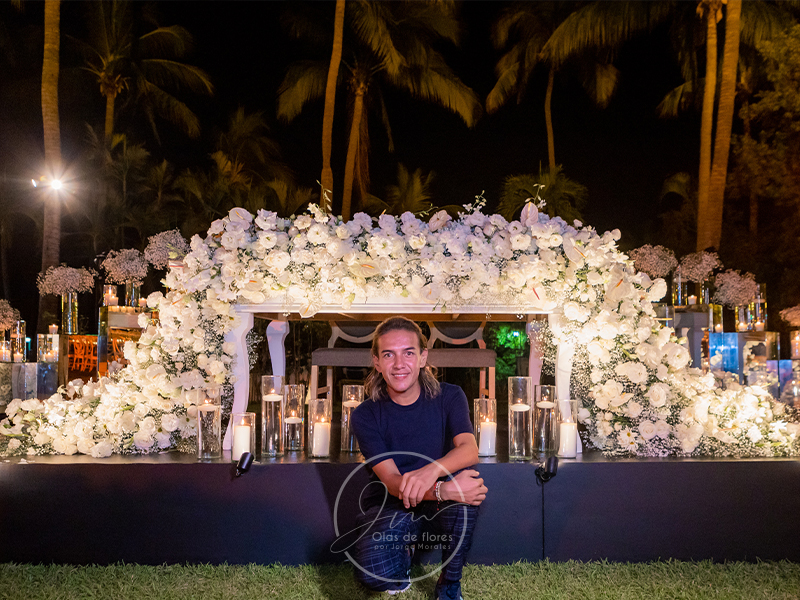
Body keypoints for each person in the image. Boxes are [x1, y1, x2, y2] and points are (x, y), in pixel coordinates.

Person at [350, 316, 488, 600]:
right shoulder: (365, 414)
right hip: (394, 506)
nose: (399, 364)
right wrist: (441, 488)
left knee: (468, 486)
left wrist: (432, 473)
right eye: (389, 354)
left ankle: (450, 584)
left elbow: (468, 448)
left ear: (423, 357)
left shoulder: (450, 396)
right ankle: (403, 558)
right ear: (376, 361)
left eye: (408, 353)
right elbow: (391, 482)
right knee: (372, 573)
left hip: (443, 505)